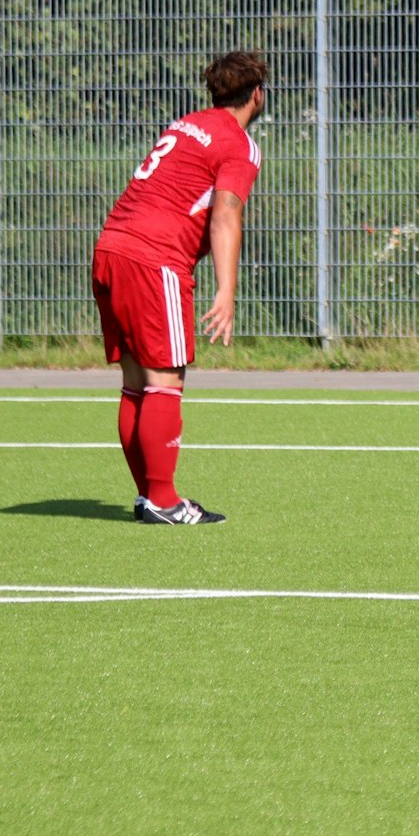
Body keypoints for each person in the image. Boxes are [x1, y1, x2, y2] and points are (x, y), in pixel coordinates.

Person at [91, 51, 267, 525]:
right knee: (165, 381)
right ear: (257, 94)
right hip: (155, 260)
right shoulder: (239, 144)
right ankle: (165, 501)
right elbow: (226, 214)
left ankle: (149, 497)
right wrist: (226, 291)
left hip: (111, 247)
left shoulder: (187, 124)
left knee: (136, 384)